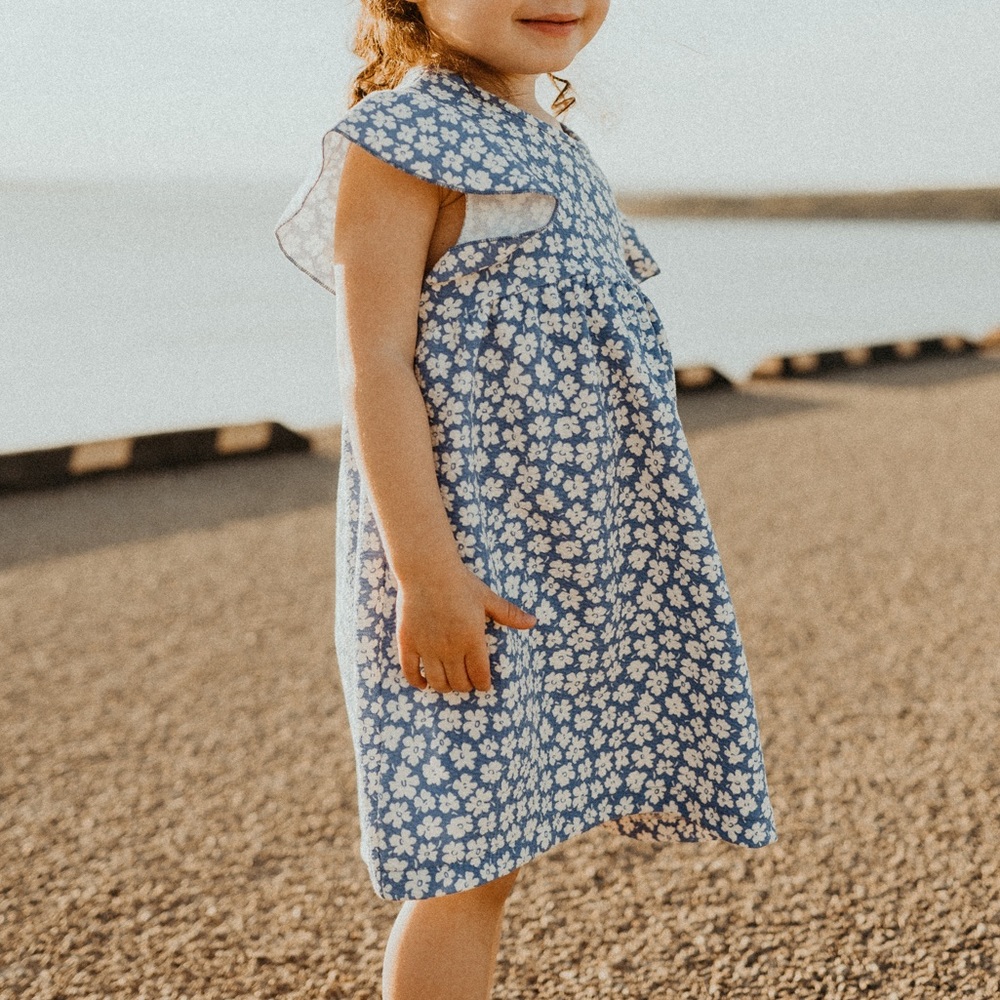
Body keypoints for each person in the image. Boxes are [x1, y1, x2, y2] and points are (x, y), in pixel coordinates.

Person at [275, 1, 778, 996]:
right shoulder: (400, 141)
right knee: (467, 861)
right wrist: (428, 574)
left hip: (575, 552)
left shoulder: (558, 144)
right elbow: (372, 368)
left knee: (499, 853)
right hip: (464, 559)